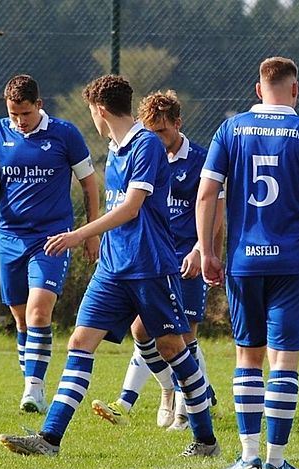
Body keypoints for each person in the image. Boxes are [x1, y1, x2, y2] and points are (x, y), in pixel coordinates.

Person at [0, 75, 218, 458]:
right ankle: (49, 439)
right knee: (80, 342)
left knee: (172, 348)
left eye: (92, 113)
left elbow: (131, 207)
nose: (93, 121)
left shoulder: (146, 144)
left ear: (100, 110)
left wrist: (79, 234)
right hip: (113, 270)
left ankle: (205, 441)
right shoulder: (116, 149)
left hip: (149, 266)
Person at [196, 56, 299, 469]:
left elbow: (207, 194)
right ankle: (277, 460)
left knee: (248, 356)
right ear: (295, 89)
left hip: (245, 259)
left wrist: (206, 249)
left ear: (258, 88)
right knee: (284, 360)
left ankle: (247, 457)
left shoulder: (231, 129)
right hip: (294, 261)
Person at [0, 74, 100, 414]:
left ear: (39, 105)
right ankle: (32, 381)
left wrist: (91, 231)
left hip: (52, 238)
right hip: (10, 238)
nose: (20, 122)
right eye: (13, 114)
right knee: (20, 319)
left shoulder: (65, 134)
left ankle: (33, 390)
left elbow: (89, 185)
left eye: (26, 114)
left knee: (39, 311)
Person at [88, 90, 225, 430]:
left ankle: (184, 413)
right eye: (151, 131)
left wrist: (199, 250)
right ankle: (173, 391)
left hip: (187, 258)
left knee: (184, 336)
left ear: (178, 124)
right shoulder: (142, 153)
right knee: (141, 330)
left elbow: (215, 214)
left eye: (163, 132)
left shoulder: (202, 161)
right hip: (153, 258)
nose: (157, 139)